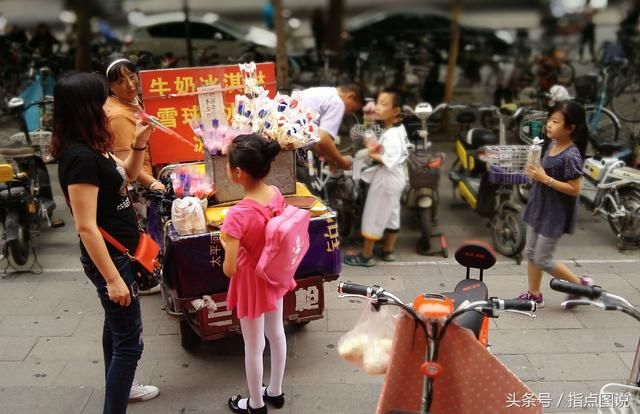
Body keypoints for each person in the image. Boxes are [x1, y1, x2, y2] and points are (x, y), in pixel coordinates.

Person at [52, 72, 160, 413]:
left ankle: (123, 389)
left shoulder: (94, 146)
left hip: (121, 255)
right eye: (101, 99)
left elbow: (125, 176)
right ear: (86, 107)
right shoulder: (79, 157)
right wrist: (113, 278)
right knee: (130, 345)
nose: (107, 105)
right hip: (113, 260)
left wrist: (140, 142)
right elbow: (85, 227)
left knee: (115, 328)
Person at [220, 134, 291, 414]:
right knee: (276, 332)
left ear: (237, 172)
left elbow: (229, 268)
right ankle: (275, 391)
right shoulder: (275, 194)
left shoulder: (237, 215)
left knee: (253, 344)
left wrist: (226, 244)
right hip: (274, 274)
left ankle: (255, 404)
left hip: (250, 282)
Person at [516, 100, 594, 308]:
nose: (549, 124)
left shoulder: (571, 155)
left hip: (555, 213)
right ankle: (534, 295)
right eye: (550, 119)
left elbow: (575, 188)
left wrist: (544, 178)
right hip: (539, 206)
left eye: (555, 121)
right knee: (531, 253)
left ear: (570, 128)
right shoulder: (551, 144)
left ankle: (582, 286)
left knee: (542, 258)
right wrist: (533, 171)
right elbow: (544, 172)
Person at [104, 58, 165, 295]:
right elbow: (126, 164)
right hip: (139, 185)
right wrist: (154, 183)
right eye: (121, 81)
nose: (130, 84)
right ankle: (146, 278)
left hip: (149, 176)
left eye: (132, 77)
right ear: (111, 87)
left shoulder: (133, 102)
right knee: (147, 232)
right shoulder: (118, 115)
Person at [343, 88, 408, 266]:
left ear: (395, 110)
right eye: (378, 103)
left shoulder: (391, 134)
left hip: (386, 178)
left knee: (374, 214)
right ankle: (387, 250)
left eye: (384, 104)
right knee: (392, 213)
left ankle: (366, 256)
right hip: (396, 178)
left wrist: (371, 152)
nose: (378, 107)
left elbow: (388, 159)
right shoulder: (396, 128)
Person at [297, 84, 363, 182]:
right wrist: (342, 162)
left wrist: (330, 158)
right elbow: (323, 139)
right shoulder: (337, 102)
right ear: (351, 96)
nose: (348, 113)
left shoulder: (323, 92)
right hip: (294, 150)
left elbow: (313, 140)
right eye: (352, 109)